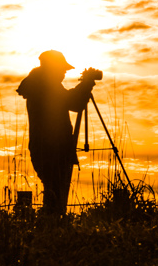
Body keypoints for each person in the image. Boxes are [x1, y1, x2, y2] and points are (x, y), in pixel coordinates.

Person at [16, 50, 97, 215]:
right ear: (52, 68)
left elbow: (69, 100)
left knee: (55, 191)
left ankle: (52, 222)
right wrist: (86, 85)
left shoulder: (40, 84)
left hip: (48, 147)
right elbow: (73, 103)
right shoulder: (44, 85)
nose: (64, 73)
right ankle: (53, 224)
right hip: (52, 148)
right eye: (62, 69)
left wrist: (84, 86)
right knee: (55, 192)